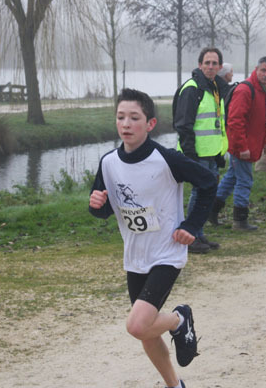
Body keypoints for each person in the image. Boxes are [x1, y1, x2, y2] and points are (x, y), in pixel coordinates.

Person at [89, 88, 217, 388]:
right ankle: (176, 385)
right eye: (121, 117)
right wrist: (96, 205)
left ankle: (179, 319)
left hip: (166, 253)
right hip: (136, 255)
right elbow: (105, 208)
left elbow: (208, 182)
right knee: (147, 331)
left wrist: (192, 225)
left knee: (138, 325)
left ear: (150, 124)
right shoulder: (108, 162)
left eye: (134, 118)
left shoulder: (166, 159)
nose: (126, 124)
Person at [209, 56, 266, 231]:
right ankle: (240, 221)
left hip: (252, 144)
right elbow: (235, 121)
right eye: (263, 70)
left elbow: (265, 119)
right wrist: (242, 147)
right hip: (242, 146)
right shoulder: (245, 90)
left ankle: (211, 211)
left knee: (232, 177)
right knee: (245, 180)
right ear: (256, 69)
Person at [173, 47, 228, 253]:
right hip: (196, 154)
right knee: (198, 194)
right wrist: (190, 155)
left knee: (207, 194)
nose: (210, 67)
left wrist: (220, 153)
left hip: (211, 153)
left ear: (220, 66)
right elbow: (183, 124)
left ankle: (199, 233)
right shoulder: (192, 89)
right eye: (207, 63)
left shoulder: (215, 88)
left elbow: (217, 123)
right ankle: (191, 236)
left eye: (214, 63)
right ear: (200, 65)